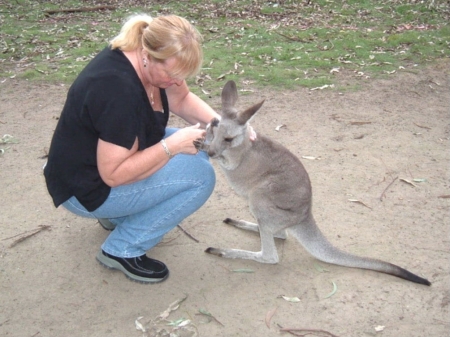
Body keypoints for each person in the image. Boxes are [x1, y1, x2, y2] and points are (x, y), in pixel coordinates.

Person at [44, 14, 221, 284]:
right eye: (173, 75)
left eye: (182, 75)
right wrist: (170, 147)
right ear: (149, 55)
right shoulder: (117, 90)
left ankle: (119, 215)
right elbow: (114, 175)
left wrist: (223, 127)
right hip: (86, 189)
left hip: (96, 166)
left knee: (203, 146)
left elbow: (182, 98)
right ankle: (122, 249)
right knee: (200, 176)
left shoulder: (145, 53)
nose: (177, 81)